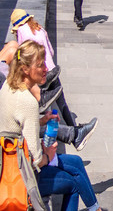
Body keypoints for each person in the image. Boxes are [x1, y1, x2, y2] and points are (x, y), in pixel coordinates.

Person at [0, 42, 113, 211]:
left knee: (76, 162)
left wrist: (40, 122)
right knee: (73, 185)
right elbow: (37, 160)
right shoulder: (28, 102)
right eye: (39, 65)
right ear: (25, 69)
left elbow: (15, 126)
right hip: (23, 180)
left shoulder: (8, 88)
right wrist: (49, 151)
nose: (44, 69)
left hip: (9, 164)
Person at [11, 10, 94, 142]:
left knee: (44, 100)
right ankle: (75, 131)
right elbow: (51, 50)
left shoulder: (22, 31)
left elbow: (23, 55)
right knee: (62, 102)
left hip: (40, 73)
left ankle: (74, 133)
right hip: (51, 68)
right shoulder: (40, 28)